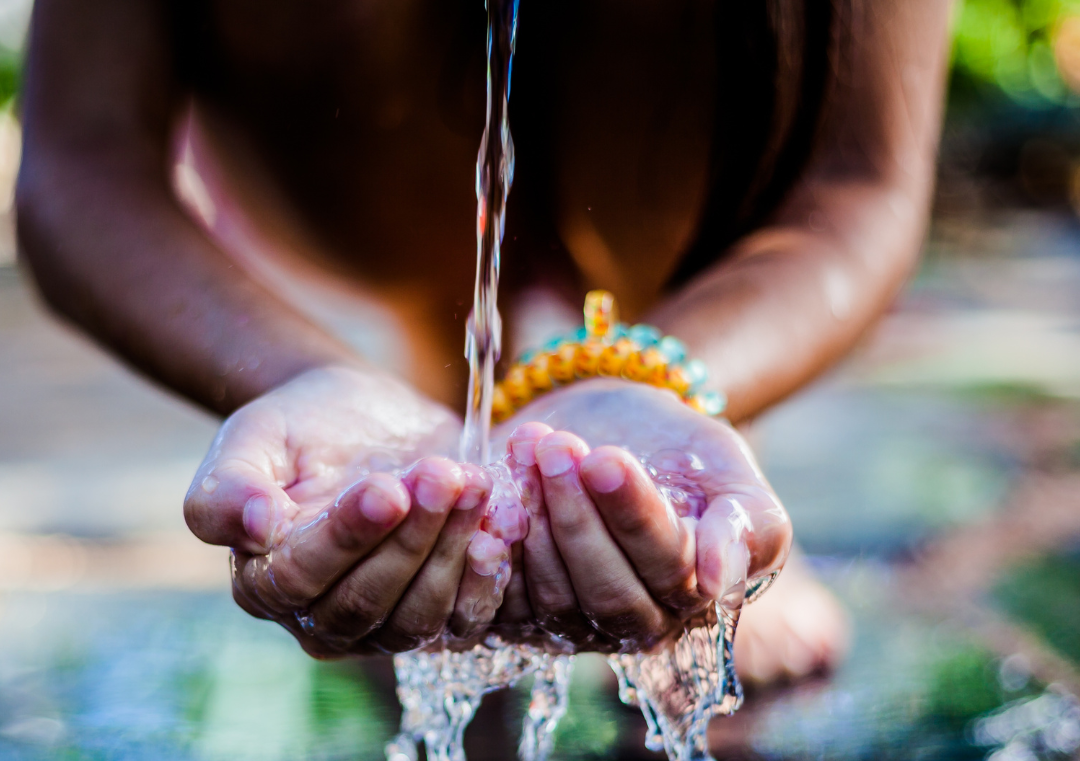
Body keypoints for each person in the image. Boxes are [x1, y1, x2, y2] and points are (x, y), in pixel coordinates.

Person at [15, 0, 950, 672]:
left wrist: (658, 377)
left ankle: (681, 472)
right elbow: (82, 161)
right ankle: (424, 409)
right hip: (371, 202)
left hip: (693, 161)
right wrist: (304, 375)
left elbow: (858, 184)